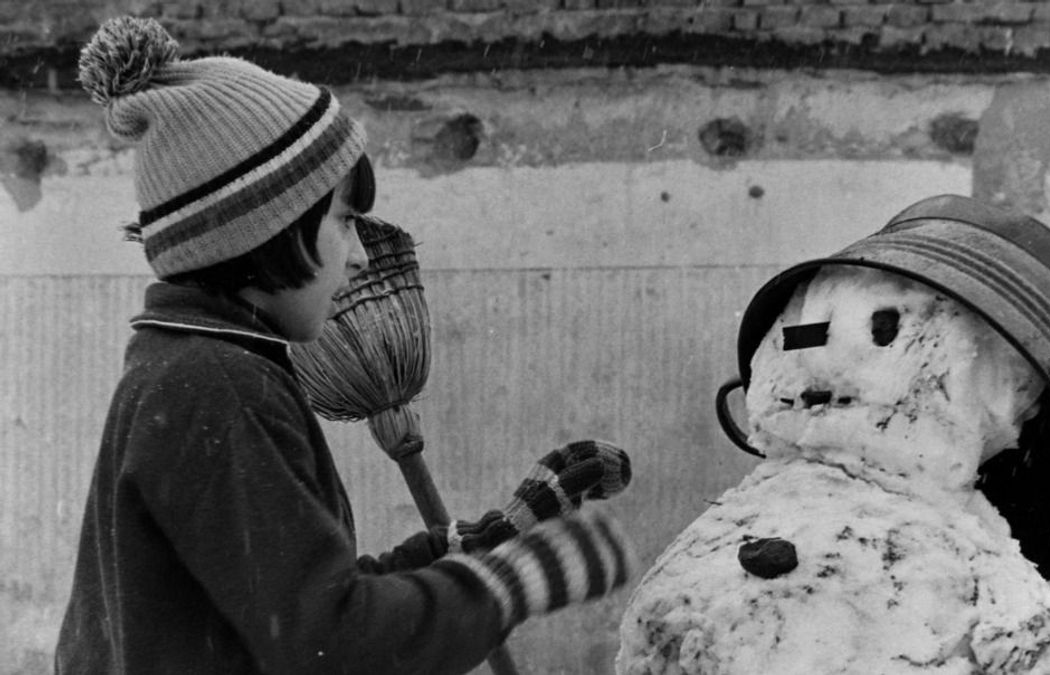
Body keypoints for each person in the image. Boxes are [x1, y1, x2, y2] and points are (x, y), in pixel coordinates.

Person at [56, 16, 635, 675]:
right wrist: (516, 579)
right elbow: (332, 644)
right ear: (260, 230)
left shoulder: (192, 367)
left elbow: (300, 603)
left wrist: (484, 541)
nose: (360, 257)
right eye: (342, 223)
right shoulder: (217, 387)